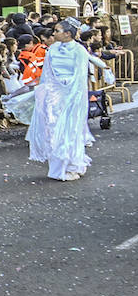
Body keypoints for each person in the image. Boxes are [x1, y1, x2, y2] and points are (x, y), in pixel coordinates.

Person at [26, 17, 108, 182]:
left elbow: (79, 76)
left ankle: (73, 165)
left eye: (57, 30)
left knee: (70, 131)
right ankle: (59, 168)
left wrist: (68, 92)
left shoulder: (79, 51)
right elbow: (47, 73)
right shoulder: (53, 49)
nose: (54, 33)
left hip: (72, 96)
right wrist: (45, 94)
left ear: (68, 33)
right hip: (54, 96)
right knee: (54, 131)